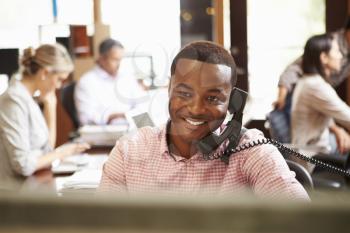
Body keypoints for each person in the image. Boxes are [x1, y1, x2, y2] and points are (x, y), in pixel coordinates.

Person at [98, 41, 309, 200]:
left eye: (213, 98)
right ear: (169, 89)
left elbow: (304, 220)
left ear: (233, 101)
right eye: (185, 93)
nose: (196, 109)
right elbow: (102, 224)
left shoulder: (251, 150)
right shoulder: (129, 151)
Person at [0, 44, 90, 182]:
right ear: (44, 73)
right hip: (16, 193)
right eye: (59, 79)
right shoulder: (13, 101)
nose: (59, 86)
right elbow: (23, 165)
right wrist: (61, 153)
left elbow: (47, 149)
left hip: (32, 183)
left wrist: (50, 106)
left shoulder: (29, 97)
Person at [274, 16, 350, 118]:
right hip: (298, 99)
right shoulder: (332, 43)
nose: (339, 56)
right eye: (336, 53)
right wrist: (281, 97)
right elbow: (293, 69)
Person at [292, 34, 350, 160]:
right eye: (336, 51)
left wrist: (337, 130)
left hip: (315, 148)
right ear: (324, 57)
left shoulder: (309, 81)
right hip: (311, 158)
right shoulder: (316, 86)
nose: (341, 56)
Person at [74, 38, 146, 126]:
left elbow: (143, 105)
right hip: (103, 133)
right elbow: (85, 118)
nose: (119, 64)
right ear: (102, 58)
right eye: (115, 60)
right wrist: (112, 117)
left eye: (120, 60)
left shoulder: (127, 77)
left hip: (129, 129)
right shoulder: (86, 82)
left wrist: (127, 116)